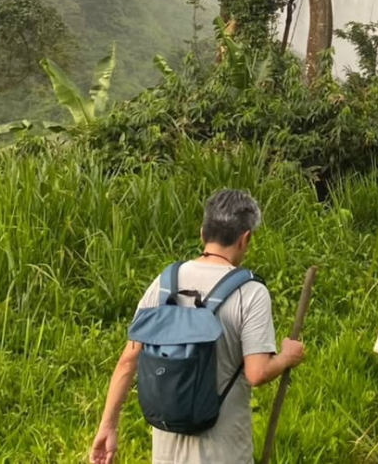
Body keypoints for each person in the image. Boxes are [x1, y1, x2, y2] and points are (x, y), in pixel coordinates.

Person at [89, 189, 305, 464]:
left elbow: (128, 360)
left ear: (202, 232)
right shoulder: (250, 291)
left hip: (167, 455)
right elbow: (257, 373)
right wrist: (288, 356)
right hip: (225, 453)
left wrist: (108, 426)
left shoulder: (165, 283)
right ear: (245, 239)